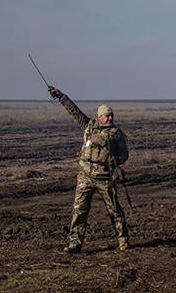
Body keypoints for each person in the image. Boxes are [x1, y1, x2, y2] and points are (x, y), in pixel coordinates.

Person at [48, 85, 130, 253]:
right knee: (79, 211)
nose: (110, 118)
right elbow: (74, 111)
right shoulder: (88, 126)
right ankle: (75, 244)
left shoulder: (117, 134)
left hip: (105, 178)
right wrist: (61, 96)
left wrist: (116, 161)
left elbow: (124, 155)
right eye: (107, 116)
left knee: (114, 210)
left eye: (111, 115)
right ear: (100, 117)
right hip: (85, 176)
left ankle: (123, 240)